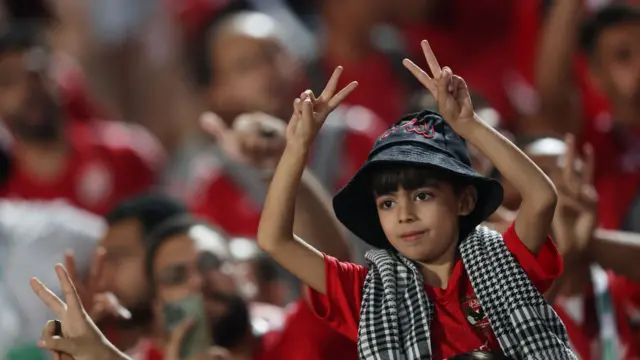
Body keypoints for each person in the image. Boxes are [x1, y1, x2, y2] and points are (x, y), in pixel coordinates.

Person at [257, 41, 575, 358]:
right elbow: (275, 241)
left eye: (422, 195)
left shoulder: (505, 261)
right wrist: (297, 147)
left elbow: (541, 196)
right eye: (388, 203)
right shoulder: (367, 294)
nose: (405, 214)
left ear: (464, 201)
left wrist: (469, 125)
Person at [0, 20, 163, 215]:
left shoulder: (125, 155)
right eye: (9, 80)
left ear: (58, 75)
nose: (27, 90)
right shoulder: (5, 193)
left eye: (36, 73)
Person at [144, 215, 357, 360]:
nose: (198, 282)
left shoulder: (301, 337)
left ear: (245, 276)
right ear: (158, 309)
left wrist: (285, 165)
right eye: (175, 276)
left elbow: (332, 270)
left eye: (210, 263)